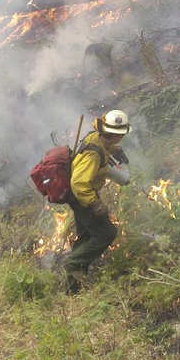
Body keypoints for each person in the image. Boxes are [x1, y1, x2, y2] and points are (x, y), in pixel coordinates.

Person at [64, 109, 131, 293]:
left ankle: (72, 289)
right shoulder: (93, 155)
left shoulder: (98, 137)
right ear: (115, 134)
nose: (122, 137)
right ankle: (72, 264)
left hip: (84, 195)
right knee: (106, 232)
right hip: (82, 197)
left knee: (85, 237)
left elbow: (103, 145)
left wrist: (116, 150)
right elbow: (78, 183)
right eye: (121, 134)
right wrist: (95, 204)